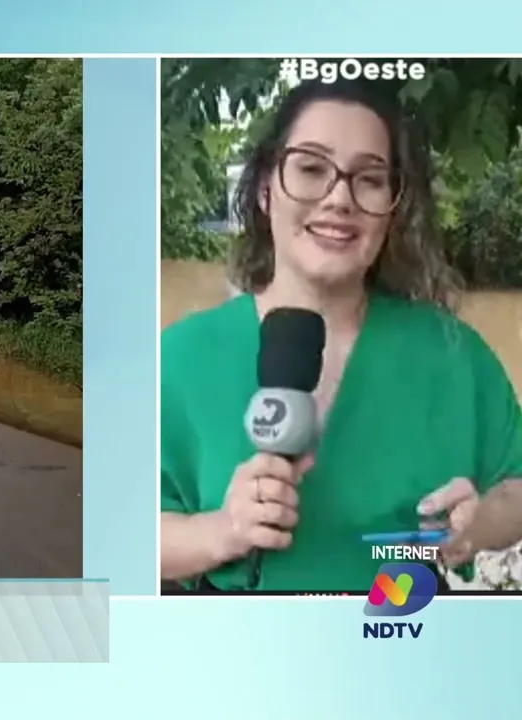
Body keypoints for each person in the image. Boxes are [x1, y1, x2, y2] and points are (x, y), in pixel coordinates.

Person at [160, 79, 522, 591]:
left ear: (392, 207)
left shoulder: (454, 355)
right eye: (311, 168)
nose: (339, 199)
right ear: (265, 188)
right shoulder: (180, 359)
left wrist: (479, 523)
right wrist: (221, 531)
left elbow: (516, 488)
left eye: (369, 179)